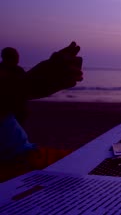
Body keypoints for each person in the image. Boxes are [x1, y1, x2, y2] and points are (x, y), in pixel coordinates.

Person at [0, 42, 83, 182]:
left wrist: (48, 72)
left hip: (23, 152)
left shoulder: (15, 72)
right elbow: (18, 89)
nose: (17, 58)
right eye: (13, 56)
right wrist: (47, 72)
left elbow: (22, 89)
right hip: (18, 160)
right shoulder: (4, 72)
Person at [0, 47, 27, 125]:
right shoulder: (4, 71)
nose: (18, 58)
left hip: (18, 109)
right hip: (6, 110)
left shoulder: (19, 70)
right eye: (15, 56)